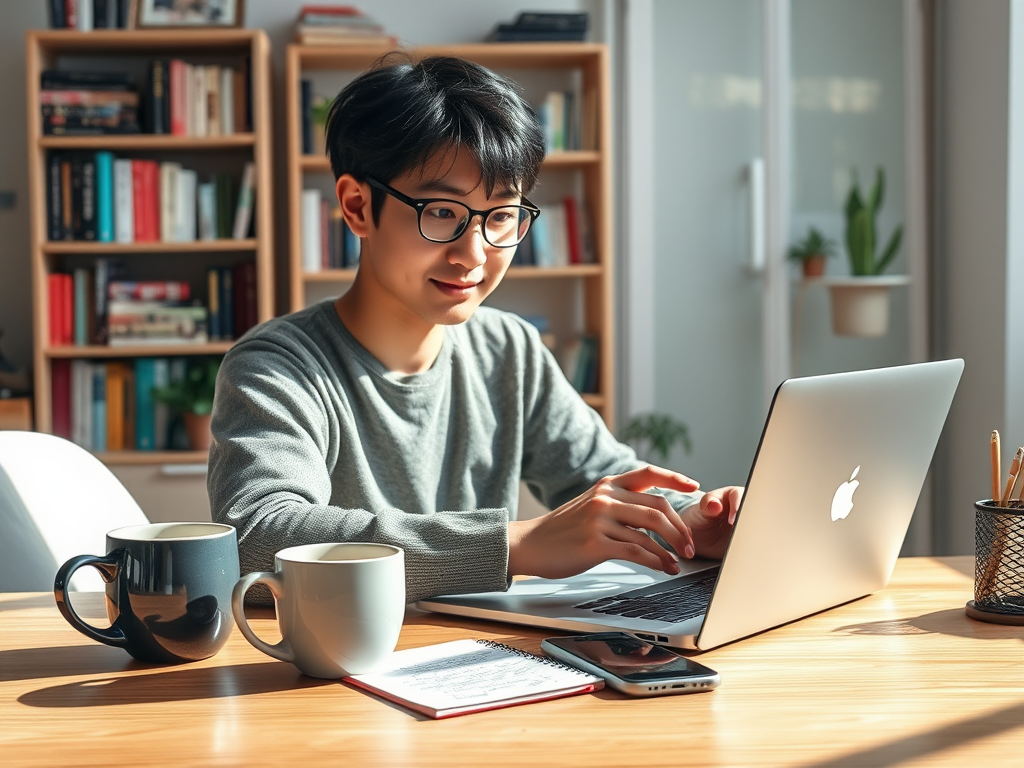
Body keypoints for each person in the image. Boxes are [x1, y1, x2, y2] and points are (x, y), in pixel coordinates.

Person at [208, 54, 743, 604]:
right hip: (326, 675)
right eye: (441, 212)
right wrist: (517, 546)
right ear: (356, 205)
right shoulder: (277, 366)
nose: (474, 254)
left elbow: (605, 478)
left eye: (501, 215)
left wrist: (691, 518)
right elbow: (256, 536)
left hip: (489, 657)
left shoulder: (507, 348)